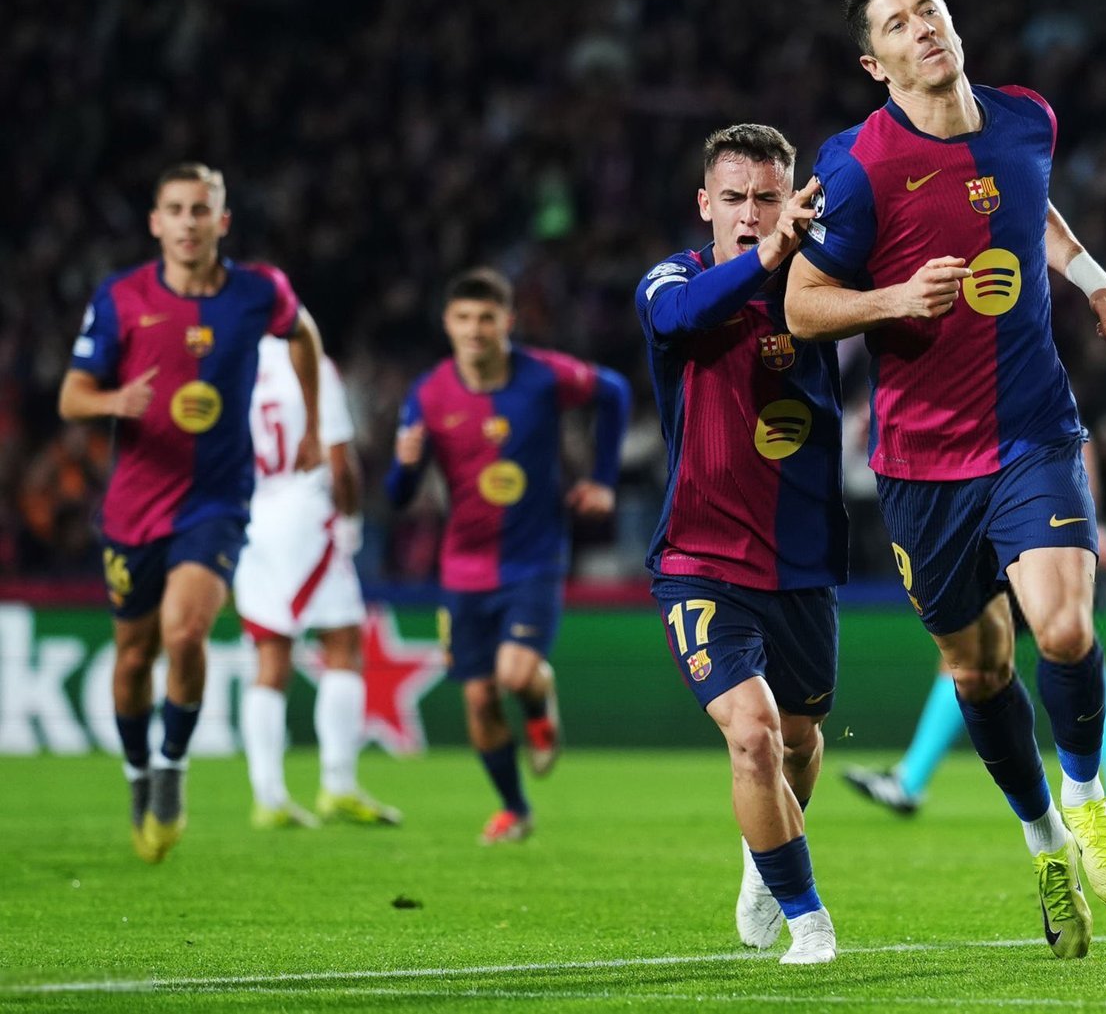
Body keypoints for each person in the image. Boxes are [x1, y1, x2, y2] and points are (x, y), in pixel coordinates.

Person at [784, 0, 1106, 959]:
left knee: (1063, 626)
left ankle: (1085, 796)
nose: (923, 29)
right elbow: (801, 305)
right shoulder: (856, 165)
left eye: (929, 9)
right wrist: (895, 299)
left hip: (1032, 431)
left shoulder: (1026, 118)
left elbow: (1031, 207)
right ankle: (1041, 840)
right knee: (977, 670)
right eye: (898, 24)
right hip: (921, 464)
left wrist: (1095, 280)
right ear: (875, 62)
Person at [59, 162, 324, 863]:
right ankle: (137, 774)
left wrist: (312, 424)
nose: (187, 222)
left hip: (217, 500)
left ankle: (172, 766)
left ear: (221, 221)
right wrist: (114, 402)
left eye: (200, 209)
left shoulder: (258, 291)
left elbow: (303, 334)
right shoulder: (122, 298)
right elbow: (71, 395)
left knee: (185, 631)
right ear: (156, 222)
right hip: (134, 508)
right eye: (175, 209)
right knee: (132, 657)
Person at [635, 124, 844, 965]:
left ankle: (764, 859)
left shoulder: (818, 284)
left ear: (791, 198)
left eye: (766, 197)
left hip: (800, 560)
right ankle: (809, 919)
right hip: (700, 558)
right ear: (705, 203)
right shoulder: (672, 280)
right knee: (752, 733)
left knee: (798, 740)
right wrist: (767, 258)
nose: (750, 213)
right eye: (734, 198)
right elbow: (682, 316)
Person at [386, 268, 629, 844]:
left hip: (534, 557)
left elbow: (614, 392)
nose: (475, 329)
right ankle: (515, 809)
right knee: (479, 698)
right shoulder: (429, 393)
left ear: (508, 323)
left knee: (513, 673)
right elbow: (397, 496)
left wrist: (602, 478)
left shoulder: (543, 376)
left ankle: (540, 706)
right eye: (464, 318)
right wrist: (405, 465)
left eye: (487, 318)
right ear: (448, 324)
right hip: (463, 567)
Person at [844, 443, 1106, 819]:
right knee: (1067, 649)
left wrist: (1082, 524)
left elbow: (1071, 465)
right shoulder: (1044, 424)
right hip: (1029, 534)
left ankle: (909, 781)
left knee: (995, 656)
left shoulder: (1029, 425)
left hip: (1023, 540)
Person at [234, 335, 401, 829]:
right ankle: (337, 785)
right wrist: (350, 520)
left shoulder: (235, 361)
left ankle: (267, 796)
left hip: (252, 516)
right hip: (304, 510)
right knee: (343, 643)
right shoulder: (309, 364)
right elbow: (339, 460)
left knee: (270, 656)